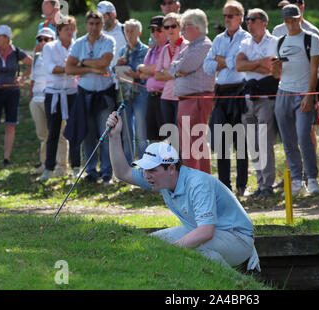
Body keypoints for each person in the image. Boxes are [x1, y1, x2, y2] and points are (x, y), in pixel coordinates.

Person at [106, 112, 260, 271]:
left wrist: (171, 251)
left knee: (189, 248)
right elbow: (122, 172)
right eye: (145, 170)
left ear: (171, 168)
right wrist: (114, 136)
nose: (147, 176)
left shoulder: (198, 184)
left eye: (152, 170)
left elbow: (205, 232)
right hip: (207, 232)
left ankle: (231, 281)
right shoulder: (161, 178)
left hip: (238, 240)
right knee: (150, 243)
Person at [271, 5, 319, 196]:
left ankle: (312, 178)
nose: (291, 24)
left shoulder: (311, 39)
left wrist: (310, 95)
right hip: (283, 93)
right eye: (287, 21)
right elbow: (276, 73)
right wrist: (275, 67)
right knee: (288, 140)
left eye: (294, 20)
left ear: (300, 18)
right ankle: (296, 180)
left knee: (304, 136)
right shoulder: (280, 41)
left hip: (303, 93)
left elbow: (314, 69)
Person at [203, 1, 251, 195]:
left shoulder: (246, 38)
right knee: (221, 142)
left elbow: (236, 64)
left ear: (240, 17)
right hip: (221, 92)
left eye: (230, 16)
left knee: (240, 141)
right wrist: (225, 61)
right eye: (225, 16)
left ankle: (241, 185)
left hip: (239, 90)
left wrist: (219, 60)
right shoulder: (218, 39)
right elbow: (207, 66)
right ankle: (224, 186)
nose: (227, 19)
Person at [65, 11, 116, 184]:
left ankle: (107, 172)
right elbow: (69, 69)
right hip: (85, 94)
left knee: (105, 134)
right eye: (91, 24)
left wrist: (83, 62)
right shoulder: (79, 43)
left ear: (102, 24)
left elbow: (104, 63)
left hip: (104, 95)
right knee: (88, 135)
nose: (94, 27)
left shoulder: (109, 41)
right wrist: (93, 69)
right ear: (86, 25)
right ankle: (91, 171)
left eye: (97, 23)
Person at [235, 9, 278, 198]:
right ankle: (260, 184)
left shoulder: (274, 42)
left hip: (267, 97)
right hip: (248, 98)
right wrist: (259, 63)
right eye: (247, 20)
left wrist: (251, 62)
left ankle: (268, 184)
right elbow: (239, 65)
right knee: (252, 142)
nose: (248, 24)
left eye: (252, 20)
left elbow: (271, 67)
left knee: (264, 141)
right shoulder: (244, 42)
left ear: (263, 22)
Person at [170, 9, 215, 174]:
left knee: (196, 143)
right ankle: (193, 180)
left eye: (186, 25)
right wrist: (178, 69)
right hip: (186, 100)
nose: (183, 29)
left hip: (197, 99)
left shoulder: (204, 45)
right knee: (187, 144)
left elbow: (182, 66)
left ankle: (201, 180)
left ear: (198, 27)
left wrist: (179, 69)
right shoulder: (189, 47)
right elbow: (172, 68)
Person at [39, 16, 81, 181]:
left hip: (72, 93)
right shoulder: (49, 47)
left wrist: (68, 68)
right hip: (54, 94)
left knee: (74, 132)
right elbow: (51, 69)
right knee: (53, 132)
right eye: (66, 29)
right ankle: (49, 168)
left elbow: (81, 66)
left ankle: (76, 166)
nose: (70, 32)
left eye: (72, 29)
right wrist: (70, 68)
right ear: (59, 32)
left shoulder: (77, 46)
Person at [0, 25, 32, 167]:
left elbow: (33, 63)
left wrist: (22, 78)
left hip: (12, 93)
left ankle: (6, 159)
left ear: (7, 38)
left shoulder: (17, 52)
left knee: (10, 125)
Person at [30, 27, 69, 177]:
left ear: (53, 40)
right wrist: (32, 97)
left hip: (54, 97)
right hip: (37, 100)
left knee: (59, 133)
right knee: (43, 135)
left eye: (46, 39)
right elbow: (33, 78)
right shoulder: (37, 57)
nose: (42, 42)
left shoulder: (58, 54)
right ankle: (45, 163)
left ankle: (62, 166)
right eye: (40, 39)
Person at [116, 19, 149, 164]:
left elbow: (147, 72)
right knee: (127, 132)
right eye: (127, 31)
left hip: (141, 93)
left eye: (132, 31)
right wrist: (117, 65)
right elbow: (116, 72)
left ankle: (144, 165)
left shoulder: (146, 51)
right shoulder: (123, 50)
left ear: (139, 32)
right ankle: (129, 165)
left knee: (141, 131)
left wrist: (135, 73)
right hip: (125, 94)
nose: (129, 34)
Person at [154, 13, 188, 127]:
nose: (170, 29)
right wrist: (174, 73)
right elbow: (157, 76)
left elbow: (184, 71)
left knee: (182, 135)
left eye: (173, 26)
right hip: (166, 97)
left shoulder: (187, 46)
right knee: (170, 135)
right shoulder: (165, 49)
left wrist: (167, 73)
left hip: (182, 97)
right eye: (167, 27)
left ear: (180, 27)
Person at [96, 1, 127, 69]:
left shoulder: (126, 30)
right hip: (103, 78)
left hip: (123, 78)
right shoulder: (95, 34)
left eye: (103, 17)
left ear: (112, 15)